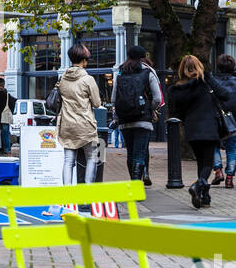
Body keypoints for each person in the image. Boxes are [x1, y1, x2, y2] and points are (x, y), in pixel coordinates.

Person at [168, 54, 222, 209]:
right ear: (199, 66)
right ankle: (198, 186)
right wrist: (209, 77)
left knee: (201, 161)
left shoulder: (176, 89)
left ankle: (205, 196)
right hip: (209, 127)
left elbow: (175, 113)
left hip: (191, 129)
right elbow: (224, 94)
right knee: (208, 163)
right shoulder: (205, 82)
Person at [110, 44, 162, 185]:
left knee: (131, 154)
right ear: (143, 57)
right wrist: (149, 108)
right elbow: (157, 98)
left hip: (125, 120)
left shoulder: (120, 73)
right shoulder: (148, 72)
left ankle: (133, 183)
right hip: (143, 120)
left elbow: (113, 99)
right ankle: (136, 186)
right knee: (140, 154)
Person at [56, 43, 102, 188]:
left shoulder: (62, 79)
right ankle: (87, 192)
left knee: (68, 160)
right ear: (83, 60)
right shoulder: (88, 79)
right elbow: (96, 103)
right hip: (85, 125)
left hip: (67, 125)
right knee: (92, 157)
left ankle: (67, 192)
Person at [210, 53, 236, 189]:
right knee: (231, 149)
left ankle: (218, 170)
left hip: (215, 119)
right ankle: (230, 178)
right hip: (232, 120)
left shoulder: (213, 81)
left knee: (214, 146)